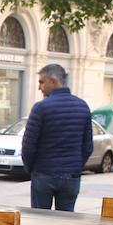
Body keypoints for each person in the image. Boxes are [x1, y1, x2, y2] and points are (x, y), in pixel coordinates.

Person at [21, 63, 93, 211]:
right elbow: (87, 146)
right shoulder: (82, 106)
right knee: (66, 222)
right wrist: (76, 166)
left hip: (43, 173)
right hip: (71, 176)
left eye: (42, 82)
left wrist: (31, 169)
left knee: (40, 220)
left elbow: (28, 146)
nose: (39, 87)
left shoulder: (41, 108)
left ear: (53, 81)